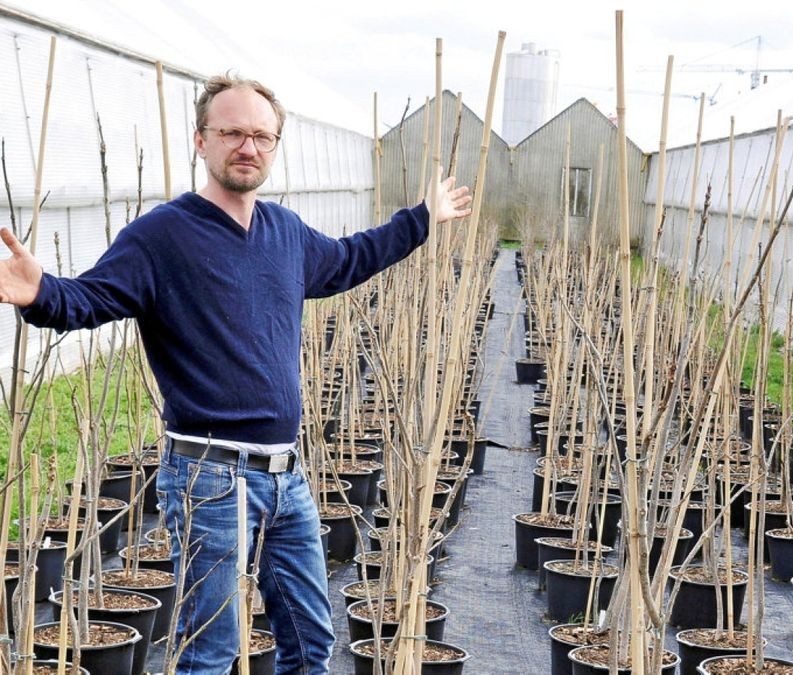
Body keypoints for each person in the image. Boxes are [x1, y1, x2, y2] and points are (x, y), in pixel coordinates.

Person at [0, 74, 470, 674]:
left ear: (273, 147)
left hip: (286, 477)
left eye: (262, 136)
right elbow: (91, 299)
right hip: (209, 476)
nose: (248, 147)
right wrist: (40, 291)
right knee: (212, 655)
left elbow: (352, 257)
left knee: (310, 642)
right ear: (202, 140)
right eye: (232, 133)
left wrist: (422, 218)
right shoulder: (161, 236)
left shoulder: (286, 233)